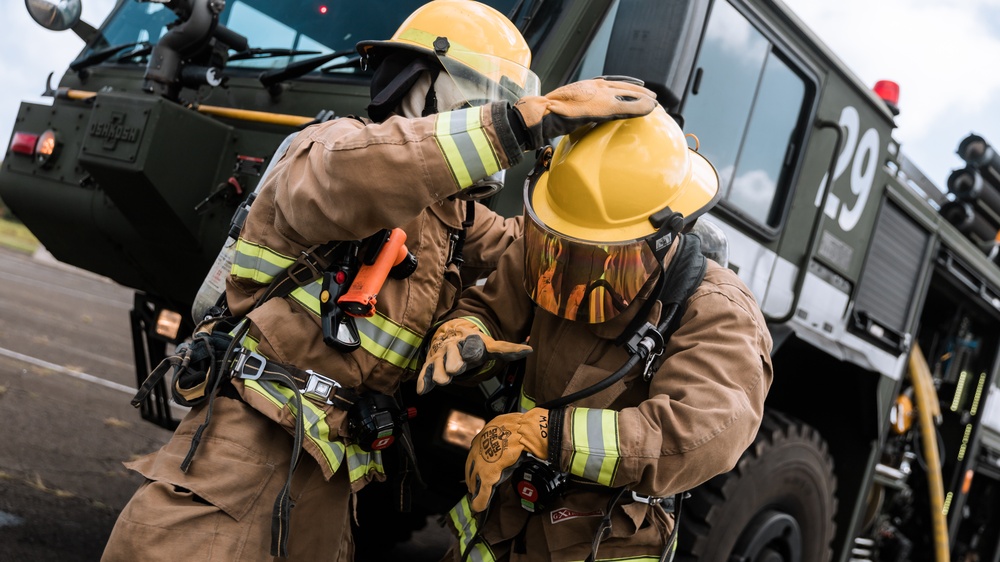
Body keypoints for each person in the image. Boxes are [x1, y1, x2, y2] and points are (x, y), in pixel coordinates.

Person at [101, 1, 659, 560]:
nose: (494, 113)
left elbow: (531, 249)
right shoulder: (328, 151)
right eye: (485, 98)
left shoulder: (454, 215)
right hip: (245, 447)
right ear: (421, 86)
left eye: (503, 103)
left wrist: (648, 219)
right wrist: (515, 125)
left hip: (335, 465)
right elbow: (372, 171)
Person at [417, 105, 774, 561]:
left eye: (602, 256)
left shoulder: (717, 310)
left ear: (665, 238)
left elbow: (701, 432)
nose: (572, 270)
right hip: (500, 524)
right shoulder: (549, 248)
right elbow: (489, 309)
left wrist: (544, 434)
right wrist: (464, 331)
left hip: (606, 539)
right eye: (562, 244)